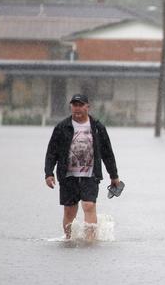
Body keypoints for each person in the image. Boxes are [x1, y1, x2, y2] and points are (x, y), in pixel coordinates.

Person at [44, 93, 121, 240]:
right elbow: (51, 152)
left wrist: (114, 176)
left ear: (87, 107)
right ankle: (68, 239)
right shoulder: (62, 127)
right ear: (70, 107)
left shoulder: (98, 127)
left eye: (80, 105)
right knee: (69, 211)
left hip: (91, 175)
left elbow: (107, 153)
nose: (77, 108)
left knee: (89, 206)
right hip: (68, 175)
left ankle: (90, 241)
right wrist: (48, 173)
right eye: (74, 105)